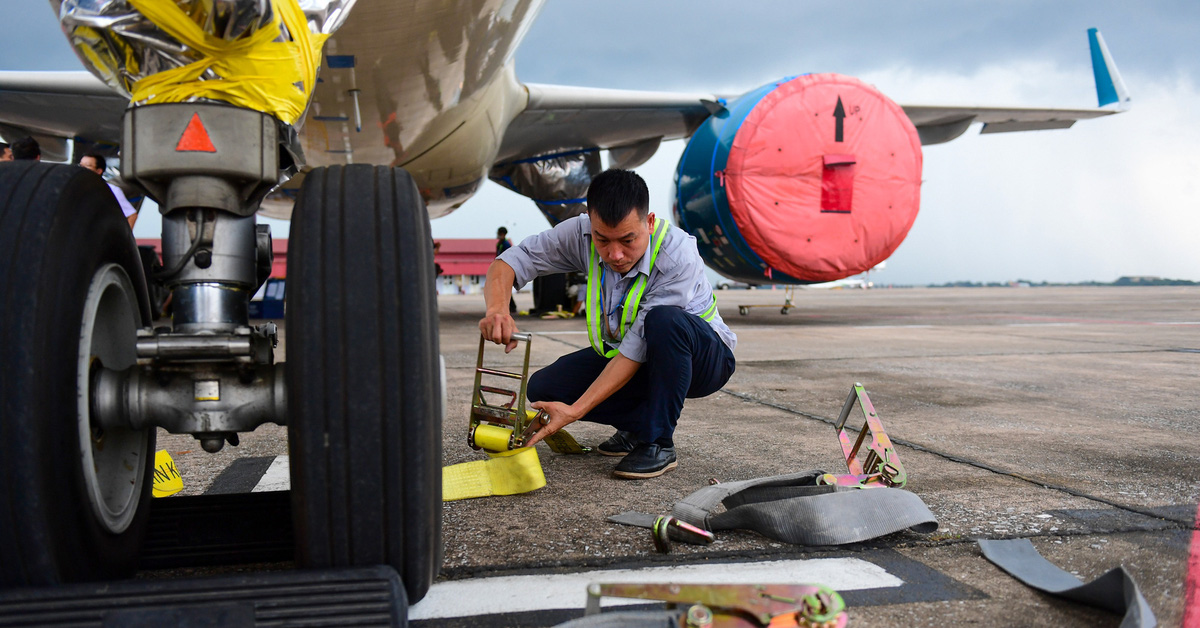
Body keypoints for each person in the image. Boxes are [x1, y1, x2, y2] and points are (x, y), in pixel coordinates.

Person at [478, 169, 736, 479]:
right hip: (634, 356)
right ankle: (638, 426)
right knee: (545, 389)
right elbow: (510, 261)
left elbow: (638, 347)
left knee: (664, 321)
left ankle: (657, 442)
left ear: (649, 222)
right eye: (603, 240)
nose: (615, 254)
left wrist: (576, 411)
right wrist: (497, 309)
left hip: (703, 360)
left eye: (628, 240)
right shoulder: (580, 234)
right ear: (590, 223)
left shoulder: (677, 253)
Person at [79, 153, 139, 229]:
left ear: (98, 171)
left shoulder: (111, 190)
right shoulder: (75, 189)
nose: (82, 169)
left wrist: (123, 238)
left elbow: (132, 215)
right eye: (81, 165)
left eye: (87, 166)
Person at [495, 226, 517, 313]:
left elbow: (508, 257)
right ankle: (507, 306)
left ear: (503, 234)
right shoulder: (499, 244)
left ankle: (512, 306)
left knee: (505, 289)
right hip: (500, 268)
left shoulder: (506, 244)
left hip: (505, 269)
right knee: (501, 289)